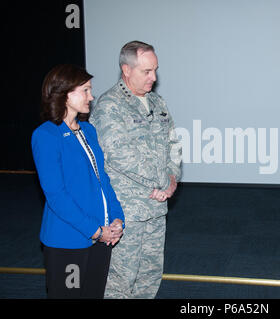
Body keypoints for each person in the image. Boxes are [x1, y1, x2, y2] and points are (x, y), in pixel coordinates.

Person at [89, 40, 182, 298]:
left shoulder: (157, 103)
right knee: (120, 281)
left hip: (155, 206)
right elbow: (121, 156)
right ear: (126, 70)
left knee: (150, 276)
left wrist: (172, 179)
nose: (154, 77)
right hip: (127, 210)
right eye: (147, 71)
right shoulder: (110, 106)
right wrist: (163, 183)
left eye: (155, 70)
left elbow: (174, 144)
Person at [31, 64, 125, 298]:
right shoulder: (46, 135)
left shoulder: (88, 130)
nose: (91, 96)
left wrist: (117, 218)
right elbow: (56, 196)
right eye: (85, 90)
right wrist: (95, 231)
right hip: (68, 242)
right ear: (63, 94)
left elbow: (102, 180)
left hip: (101, 240)